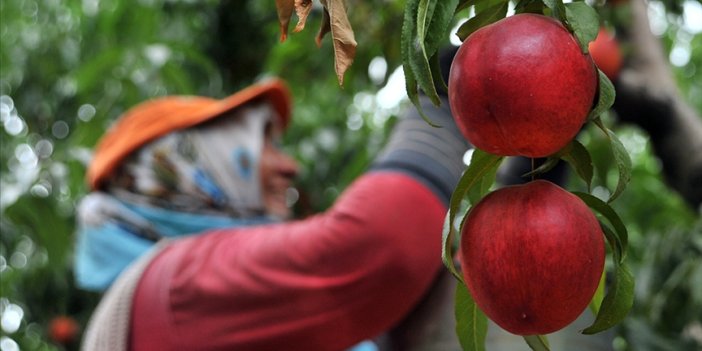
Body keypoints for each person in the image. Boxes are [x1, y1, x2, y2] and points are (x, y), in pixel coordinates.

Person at [74, 77, 470, 350]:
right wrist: (437, 108)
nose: (289, 166)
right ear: (185, 167)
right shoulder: (170, 287)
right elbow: (382, 243)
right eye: (261, 144)